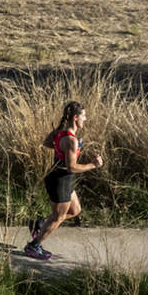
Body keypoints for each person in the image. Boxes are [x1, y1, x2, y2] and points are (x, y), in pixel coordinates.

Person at [24, 100, 102, 260]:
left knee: (75, 210)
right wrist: (93, 165)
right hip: (60, 181)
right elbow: (71, 167)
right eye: (83, 116)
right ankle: (33, 246)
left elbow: (47, 142)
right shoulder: (71, 140)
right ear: (75, 117)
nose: (85, 119)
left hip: (62, 180)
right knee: (58, 217)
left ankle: (40, 224)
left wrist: (61, 147)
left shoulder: (61, 132)